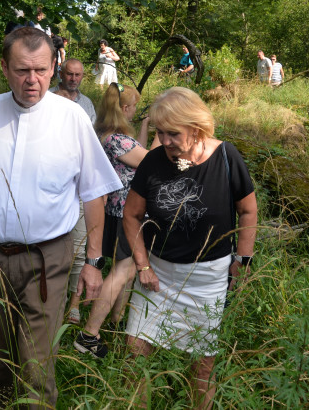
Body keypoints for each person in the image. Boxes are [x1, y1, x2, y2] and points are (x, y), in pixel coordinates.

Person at [0, 27, 121, 408]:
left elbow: (94, 191)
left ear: (55, 67)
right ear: (4, 68)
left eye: (40, 69)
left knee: (35, 364)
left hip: (47, 259)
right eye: (21, 70)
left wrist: (94, 262)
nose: (31, 80)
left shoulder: (72, 119)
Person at [123, 87, 258, 410]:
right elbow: (131, 214)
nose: (164, 140)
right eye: (159, 132)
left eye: (172, 133)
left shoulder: (227, 157)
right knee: (134, 355)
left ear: (196, 128)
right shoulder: (154, 161)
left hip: (207, 281)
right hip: (156, 276)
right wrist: (142, 265)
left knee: (202, 367)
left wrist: (244, 259)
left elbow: (248, 210)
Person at [73, 82, 150, 359]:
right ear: (125, 109)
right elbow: (151, 161)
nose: (135, 113)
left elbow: (138, 149)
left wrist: (147, 125)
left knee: (123, 271)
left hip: (111, 212)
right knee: (124, 272)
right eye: (134, 109)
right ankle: (90, 333)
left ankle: (115, 324)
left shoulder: (103, 134)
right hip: (124, 214)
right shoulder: (118, 140)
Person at [50, 58, 97, 324]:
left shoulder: (87, 104)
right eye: (69, 74)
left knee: (80, 247)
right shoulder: (46, 99)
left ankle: (74, 306)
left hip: (78, 185)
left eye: (78, 75)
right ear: (60, 73)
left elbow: (90, 144)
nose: (74, 79)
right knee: (50, 245)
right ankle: (49, 302)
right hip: (50, 185)